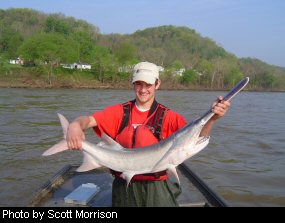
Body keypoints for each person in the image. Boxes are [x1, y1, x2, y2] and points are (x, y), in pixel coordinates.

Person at [66, 61, 230, 207]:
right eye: (139, 84)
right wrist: (74, 125)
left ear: (157, 84)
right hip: (124, 187)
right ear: (133, 84)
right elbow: (87, 120)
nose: (143, 89)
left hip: (156, 188)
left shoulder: (169, 117)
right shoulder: (118, 112)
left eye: (148, 84)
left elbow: (198, 136)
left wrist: (212, 118)